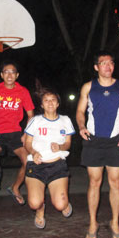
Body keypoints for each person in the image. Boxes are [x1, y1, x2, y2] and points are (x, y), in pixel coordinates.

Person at [76, 51, 119, 238]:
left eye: (111, 63)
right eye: (103, 63)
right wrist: (81, 126)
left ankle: (114, 222)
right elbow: (80, 111)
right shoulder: (88, 87)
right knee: (94, 182)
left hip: (115, 140)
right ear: (96, 67)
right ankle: (93, 223)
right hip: (93, 140)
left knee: (115, 182)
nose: (108, 66)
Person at [0, 61, 35, 205]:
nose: (9, 75)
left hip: (15, 133)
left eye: (12, 72)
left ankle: (15, 187)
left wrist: (26, 133)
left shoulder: (23, 91)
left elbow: (31, 115)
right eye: (6, 72)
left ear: (17, 75)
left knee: (28, 161)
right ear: (2, 75)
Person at [24, 87, 74, 229]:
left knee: (60, 205)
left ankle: (64, 203)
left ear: (57, 103)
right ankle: (40, 209)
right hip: (36, 166)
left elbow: (68, 144)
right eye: (46, 100)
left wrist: (60, 147)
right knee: (34, 203)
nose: (50, 103)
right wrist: (34, 152)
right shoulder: (35, 120)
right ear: (42, 105)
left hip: (57, 166)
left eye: (53, 100)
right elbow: (27, 143)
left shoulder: (65, 120)